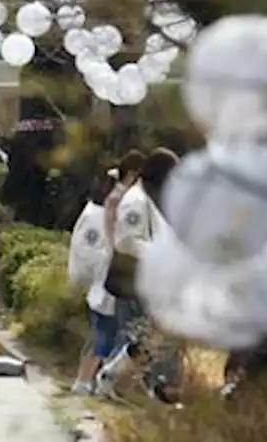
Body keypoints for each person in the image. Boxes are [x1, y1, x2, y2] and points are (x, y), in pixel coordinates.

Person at [95, 148, 181, 402]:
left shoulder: (149, 199)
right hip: (135, 280)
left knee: (150, 339)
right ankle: (126, 380)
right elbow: (126, 241)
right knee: (148, 337)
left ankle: (117, 377)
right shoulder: (136, 201)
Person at [68, 172, 118, 395]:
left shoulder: (104, 214)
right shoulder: (95, 216)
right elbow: (86, 252)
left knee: (107, 336)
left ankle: (93, 381)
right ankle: (83, 380)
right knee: (100, 334)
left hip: (109, 285)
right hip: (102, 285)